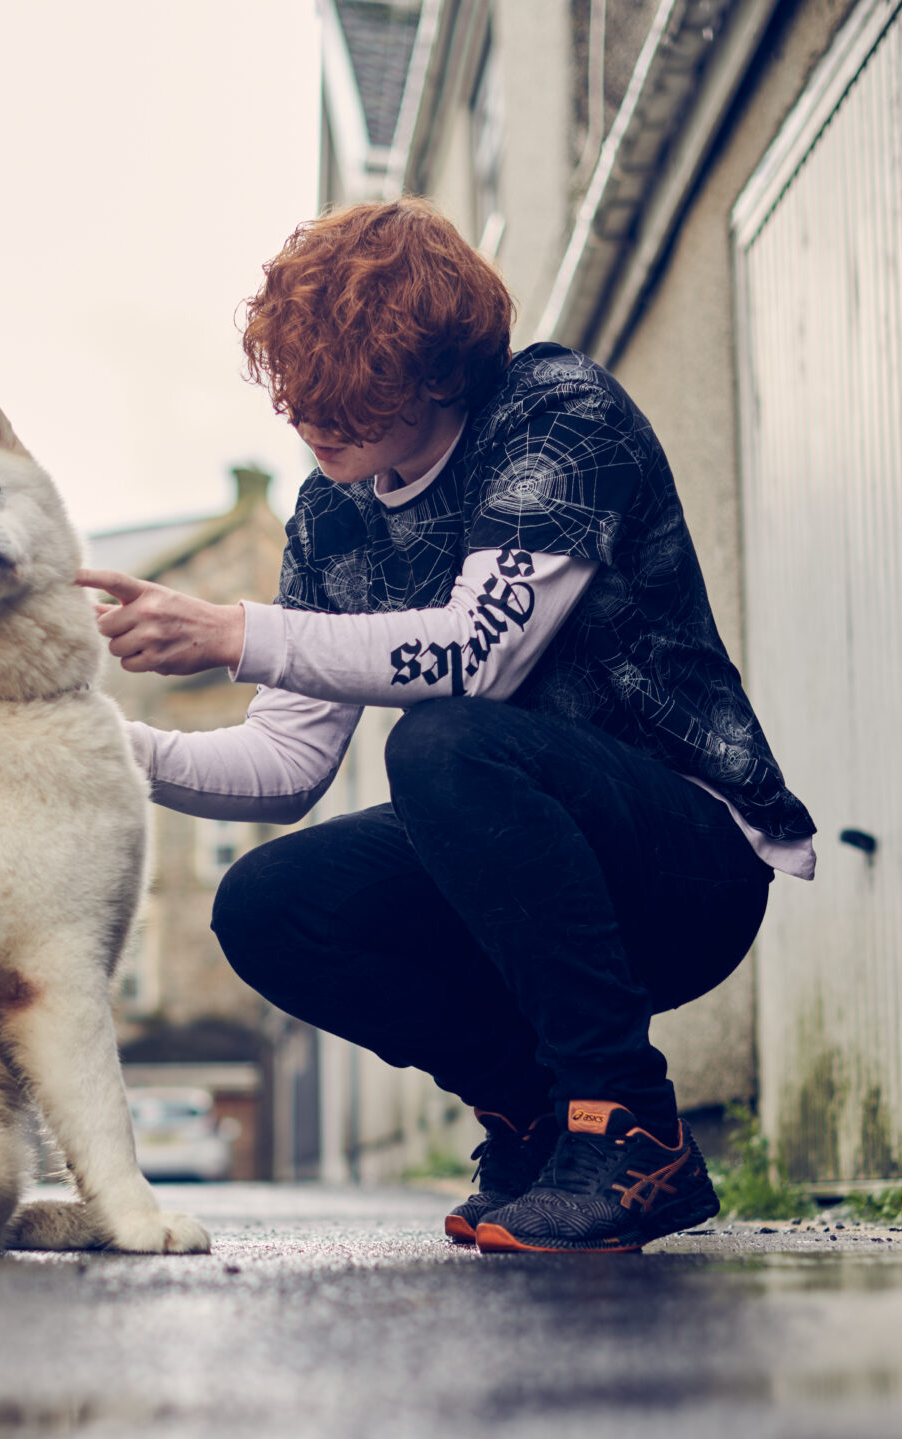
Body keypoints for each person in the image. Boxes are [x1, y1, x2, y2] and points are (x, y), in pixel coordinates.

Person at [75, 199, 815, 1254]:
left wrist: (238, 630)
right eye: (297, 393)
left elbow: (476, 653)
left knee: (438, 739)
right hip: (513, 870)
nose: (314, 422)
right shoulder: (333, 510)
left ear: (438, 373)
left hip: (685, 867)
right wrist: (96, 749)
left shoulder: (557, 415)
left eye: (346, 396)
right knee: (267, 902)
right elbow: (285, 764)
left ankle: (628, 1129)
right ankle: (532, 1115)